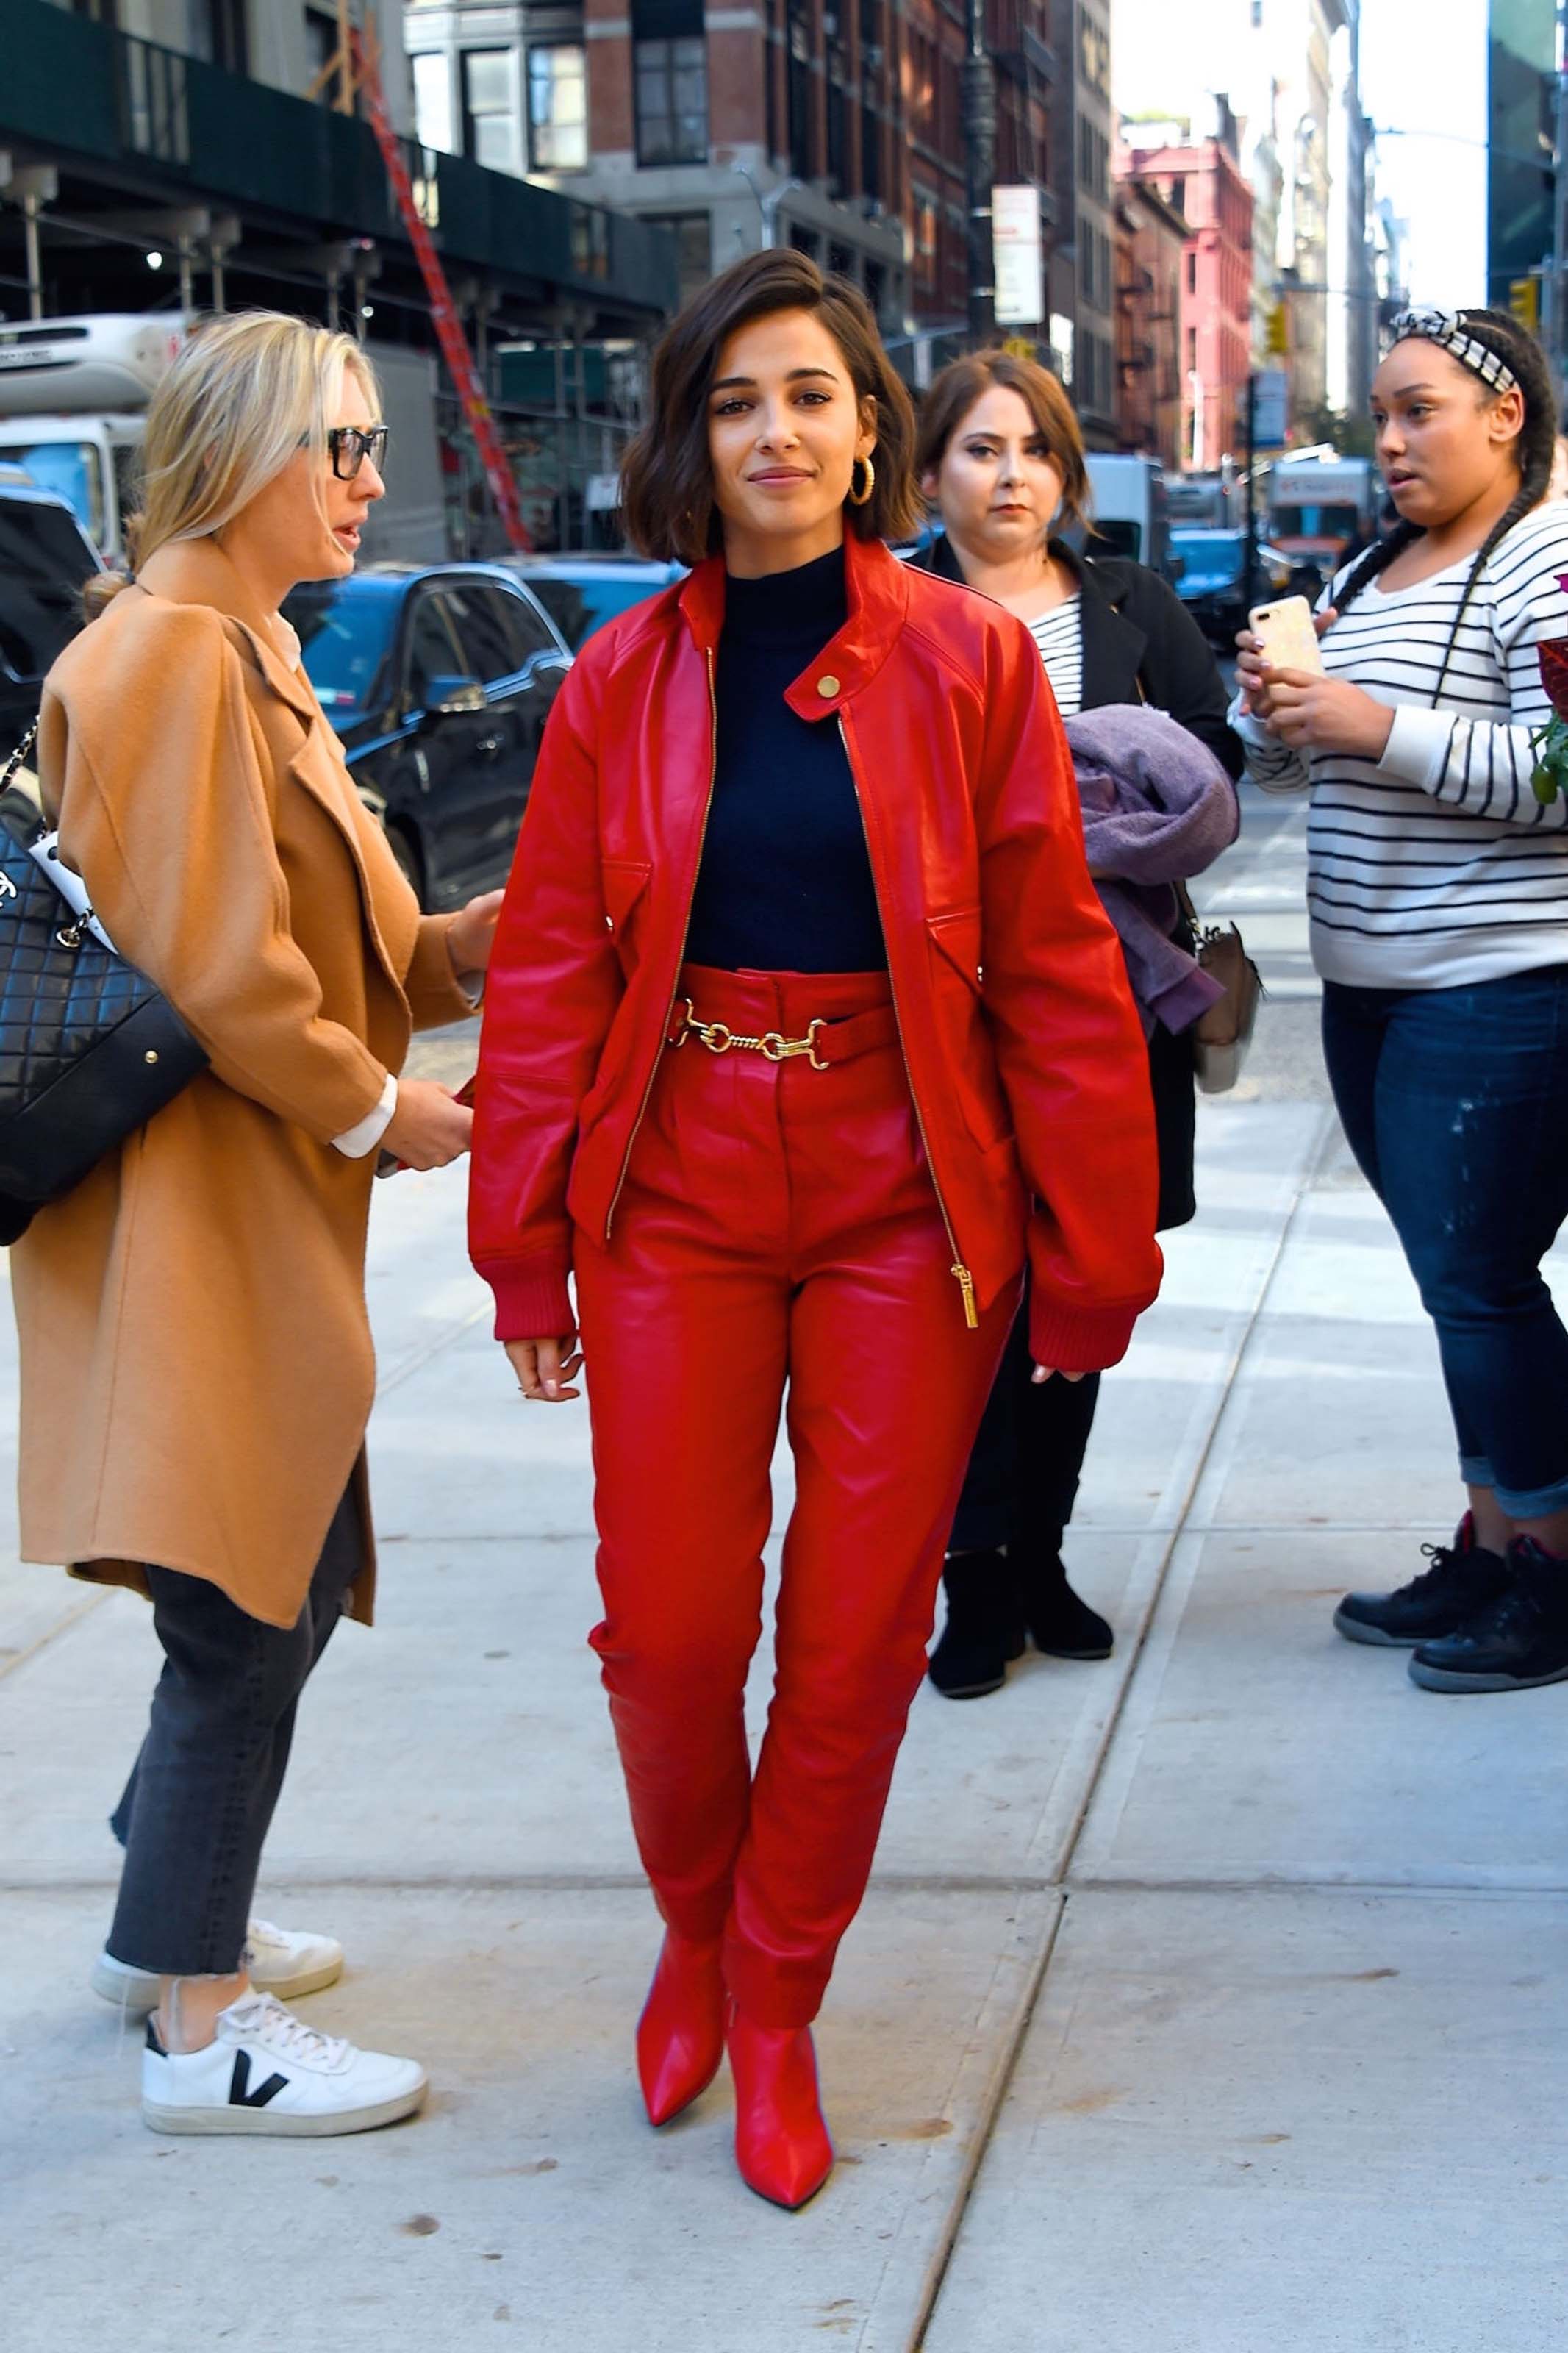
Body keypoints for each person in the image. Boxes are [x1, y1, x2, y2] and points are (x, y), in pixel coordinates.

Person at [468, 250, 1162, 2209]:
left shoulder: (958, 664)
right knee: (672, 1636)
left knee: (853, 1643)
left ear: (872, 433)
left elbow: (1050, 971)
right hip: (675, 1189)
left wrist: (1093, 1255)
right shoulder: (621, 676)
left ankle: (775, 1997)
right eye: (733, 399)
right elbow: (540, 978)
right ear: (690, 439)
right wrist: (524, 1242)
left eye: (809, 395)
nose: (773, 431)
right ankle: (693, 1929)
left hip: (898, 1206)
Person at [18, 311, 499, 2134]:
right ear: (235, 454)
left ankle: (169, 1918)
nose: (370, 483)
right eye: (339, 447)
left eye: (375, 445)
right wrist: (390, 1115)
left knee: (269, 1584)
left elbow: (365, 949)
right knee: (247, 1596)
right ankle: (195, 2029)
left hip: (250, 1203)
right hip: (181, 1209)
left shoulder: (257, 657)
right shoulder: (162, 659)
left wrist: (557, 910)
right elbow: (227, 972)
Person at [1234, 304, 1568, 1696]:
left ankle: (1549, 1576)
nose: (1387, 440)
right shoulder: (1375, 563)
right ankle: (1494, 1546)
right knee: (1456, 1294)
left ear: (1504, 415)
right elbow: (1305, 771)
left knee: (1483, 1290)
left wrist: (1370, 722)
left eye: (1417, 410)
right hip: (1373, 995)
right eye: (1377, 414)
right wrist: (1278, 716)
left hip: (1490, 994)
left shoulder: (1542, 557)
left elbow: (1561, 770)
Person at [911, 351, 1242, 1699]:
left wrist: (1118, 794)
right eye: (981, 450)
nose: (1010, 476)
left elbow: (1211, 763)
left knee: (1077, 1289)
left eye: (1035, 450)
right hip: (936, 1014)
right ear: (930, 472)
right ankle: (971, 1580)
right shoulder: (886, 606)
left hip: (1106, 1008)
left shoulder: (1130, 601)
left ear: (1067, 472)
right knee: (955, 1298)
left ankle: (1038, 1556)